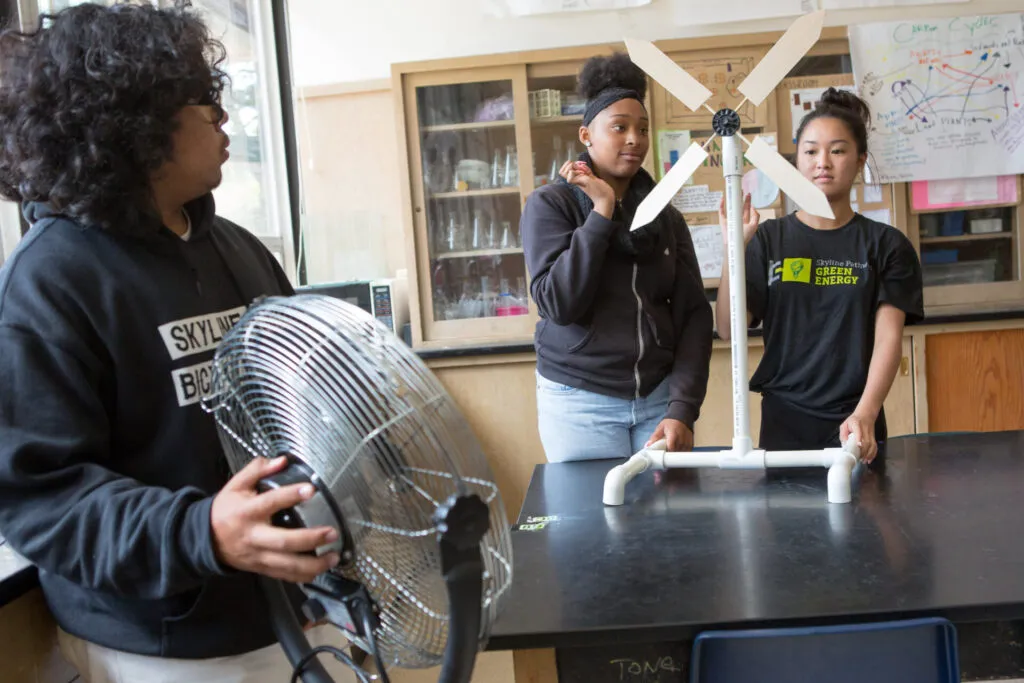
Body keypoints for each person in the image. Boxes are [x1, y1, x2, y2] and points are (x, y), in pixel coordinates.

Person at [0, 4, 353, 681]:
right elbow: (40, 501)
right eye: (204, 99)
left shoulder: (240, 251)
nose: (223, 117)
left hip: (293, 614)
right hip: (160, 644)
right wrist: (202, 532)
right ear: (134, 118)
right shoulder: (48, 281)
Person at [715, 88, 924, 466]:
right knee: (790, 523)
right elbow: (731, 328)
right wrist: (734, 248)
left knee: (862, 520)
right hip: (784, 419)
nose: (822, 162)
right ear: (797, 161)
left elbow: (889, 337)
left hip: (855, 418)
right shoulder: (768, 239)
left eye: (838, 150)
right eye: (811, 151)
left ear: (860, 160)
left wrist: (866, 413)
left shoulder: (886, 245)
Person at [521, 52, 713, 462]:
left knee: (662, 521)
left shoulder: (665, 217)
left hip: (657, 403)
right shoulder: (550, 205)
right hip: (578, 402)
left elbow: (695, 315)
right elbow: (558, 303)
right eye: (620, 127)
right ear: (586, 135)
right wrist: (601, 213)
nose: (634, 139)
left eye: (642, 129)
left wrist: (683, 408)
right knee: (591, 522)